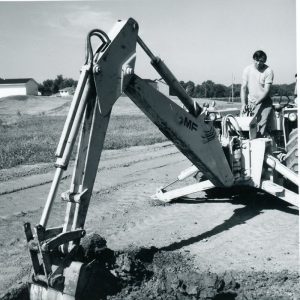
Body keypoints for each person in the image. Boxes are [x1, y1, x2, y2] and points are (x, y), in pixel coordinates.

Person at [240, 50, 274, 137]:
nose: (258, 63)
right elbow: (243, 88)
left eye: (261, 61)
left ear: (264, 61)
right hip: (251, 102)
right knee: (246, 125)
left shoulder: (268, 71)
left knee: (261, 126)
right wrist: (244, 104)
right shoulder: (247, 70)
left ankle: (261, 144)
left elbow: (267, 91)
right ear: (253, 59)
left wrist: (257, 102)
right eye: (256, 60)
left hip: (264, 102)